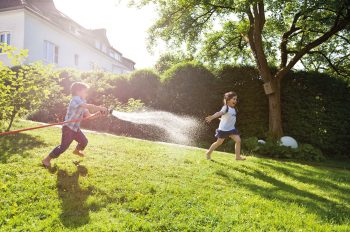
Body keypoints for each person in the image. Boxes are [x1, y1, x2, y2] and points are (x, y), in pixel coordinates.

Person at [42, 82, 107, 168]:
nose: (87, 94)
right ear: (78, 91)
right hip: (68, 128)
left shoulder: (83, 102)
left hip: (75, 129)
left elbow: (88, 116)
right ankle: (46, 160)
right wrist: (99, 107)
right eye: (85, 92)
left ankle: (76, 151)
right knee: (63, 147)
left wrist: (98, 114)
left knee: (84, 141)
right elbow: (87, 106)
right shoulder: (75, 99)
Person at [205, 91, 245, 161]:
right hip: (223, 129)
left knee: (238, 140)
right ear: (228, 100)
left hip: (232, 129)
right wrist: (212, 117)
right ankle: (208, 153)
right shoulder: (225, 107)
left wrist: (223, 119)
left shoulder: (235, 109)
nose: (235, 101)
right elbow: (219, 113)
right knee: (219, 142)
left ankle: (237, 157)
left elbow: (228, 117)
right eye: (234, 99)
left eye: (236, 99)